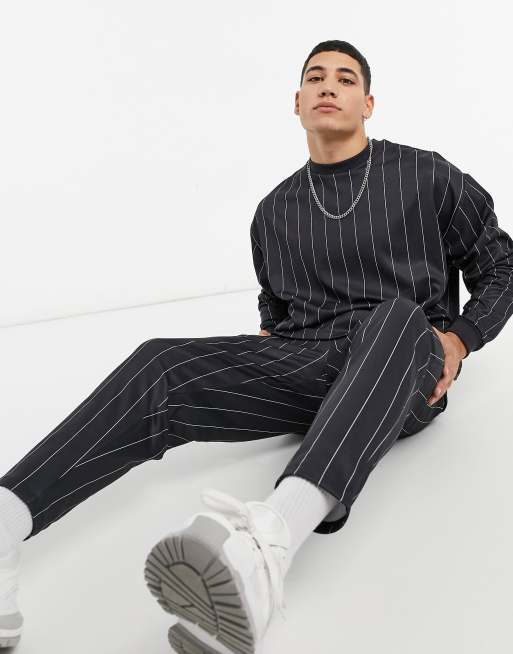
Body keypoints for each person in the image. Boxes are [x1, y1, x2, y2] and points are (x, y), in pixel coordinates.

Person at [1, 39, 512, 653]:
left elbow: (502, 267)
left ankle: (267, 550)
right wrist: (252, 365)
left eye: (345, 78)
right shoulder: (273, 212)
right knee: (161, 360)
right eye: (315, 77)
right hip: (314, 362)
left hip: (405, 363)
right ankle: (5, 524)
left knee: (396, 316)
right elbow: (276, 319)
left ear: (368, 103)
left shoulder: (425, 174)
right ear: (296, 102)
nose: (329, 86)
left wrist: (459, 338)